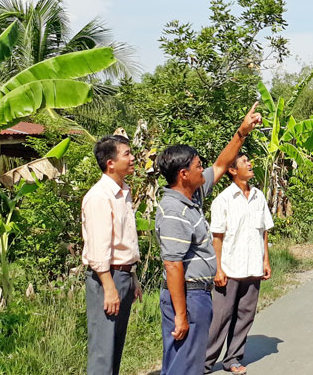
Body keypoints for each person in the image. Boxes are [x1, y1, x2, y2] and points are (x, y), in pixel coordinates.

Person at [155, 103, 262, 375]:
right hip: (187, 297)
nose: (203, 171)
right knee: (183, 364)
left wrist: (242, 132)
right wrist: (181, 314)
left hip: (198, 296)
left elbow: (222, 163)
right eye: (198, 167)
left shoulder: (193, 197)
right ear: (183, 174)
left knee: (190, 363)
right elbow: (172, 266)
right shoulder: (173, 212)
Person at [203, 154, 274, 374]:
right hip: (230, 269)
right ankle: (203, 363)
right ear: (232, 170)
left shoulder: (258, 196)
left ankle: (233, 358)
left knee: (245, 315)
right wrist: (218, 268)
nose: (250, 164)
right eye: (244, 162)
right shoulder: (223, 200)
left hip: (253, 266)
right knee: (220, 318)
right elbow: (217, 237)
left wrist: (265, 260)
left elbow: (263, 232)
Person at [81, 135, 142, 375]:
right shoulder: (99, 196)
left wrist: (133, 278)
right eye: (127, 153)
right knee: (103, 349)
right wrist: (109, 287)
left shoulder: (123, 192)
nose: (133, 157)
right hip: (107, 277)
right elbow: (99, 249)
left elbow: (124, 242)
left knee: (115, 346)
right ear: (110, 163)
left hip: (123, 275)